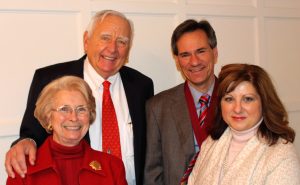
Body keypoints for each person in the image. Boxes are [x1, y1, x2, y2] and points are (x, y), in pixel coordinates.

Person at [5, 10, 154, 185]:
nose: (112, 48)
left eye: (122, 41)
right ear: (86, 41)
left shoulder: (142, 85)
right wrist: (25, 142)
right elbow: (31, 133)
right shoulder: (50, 79)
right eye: (105, 37)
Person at [188, 63, 300, 185]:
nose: (237, 109)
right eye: (229, 99)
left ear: (264, 102)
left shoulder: (281, 155)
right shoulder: (210, 143)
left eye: (247, 99)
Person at [6, 76, 128, 185]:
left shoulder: (112, 167)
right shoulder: (22, 167)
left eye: (81, 109)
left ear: (90, 115)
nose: (74, 117)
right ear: (48, 116)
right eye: (64, 109)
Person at [144, 19, 219, 185]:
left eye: (201, 51)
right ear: (177, 61)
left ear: (215, 53)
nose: (194, 61)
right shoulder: (157, 107)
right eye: (185, 55)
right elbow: (152, 173)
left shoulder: (237, 101)